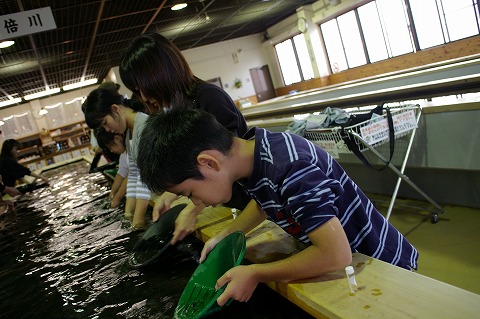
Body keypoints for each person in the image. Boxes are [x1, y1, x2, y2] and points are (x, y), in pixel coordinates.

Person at [136, 107, 419, 306]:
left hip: (381, 262)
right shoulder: (250, 156)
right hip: (352, 261)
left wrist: (256, 273)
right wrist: (228, 233)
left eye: (190, 192)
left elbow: (336, 255)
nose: (196, 203)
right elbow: (264, 202)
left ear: (209, 163)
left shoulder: (291, 167)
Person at [119, 31, 250, 242]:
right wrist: (171, 193)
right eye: (136, 91)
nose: (143, 97)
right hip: (225, 203)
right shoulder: (172, 111)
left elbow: (227, 166)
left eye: (144, 88)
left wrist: (192, 208)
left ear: (161, 74)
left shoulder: (209, 98)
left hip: (250, 201)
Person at [82, 85, 151, 229]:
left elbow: (145, 179)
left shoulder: (143, 127)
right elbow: (133, 175)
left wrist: (138, 221)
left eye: (105, 123)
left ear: (115, 109)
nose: (107, 130)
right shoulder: (129, 133)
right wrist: (128, 215)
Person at [94, 127, 128, 208]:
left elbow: (132, 176)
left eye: (110, 147)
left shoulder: (132, 148)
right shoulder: (124, 155)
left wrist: (117, 199)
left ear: (117, 139)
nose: (111, 151)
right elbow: (121, 173)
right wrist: (112, 193)